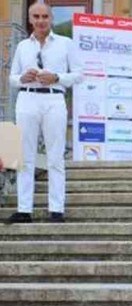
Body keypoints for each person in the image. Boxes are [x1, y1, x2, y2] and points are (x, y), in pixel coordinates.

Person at [6, 1, 82, 224]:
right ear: (30, 19)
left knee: (55, 157)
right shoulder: (23, 46)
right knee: (25, 156)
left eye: (44, 16)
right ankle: (24, 210)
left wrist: (57, 77)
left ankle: (56, 210)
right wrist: (22, 78)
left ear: (51, 18)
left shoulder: (66, 44)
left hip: (54, 99)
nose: (40, 21)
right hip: (27, 99)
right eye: (36, 17)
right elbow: (12, 78)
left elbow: (79, 74)